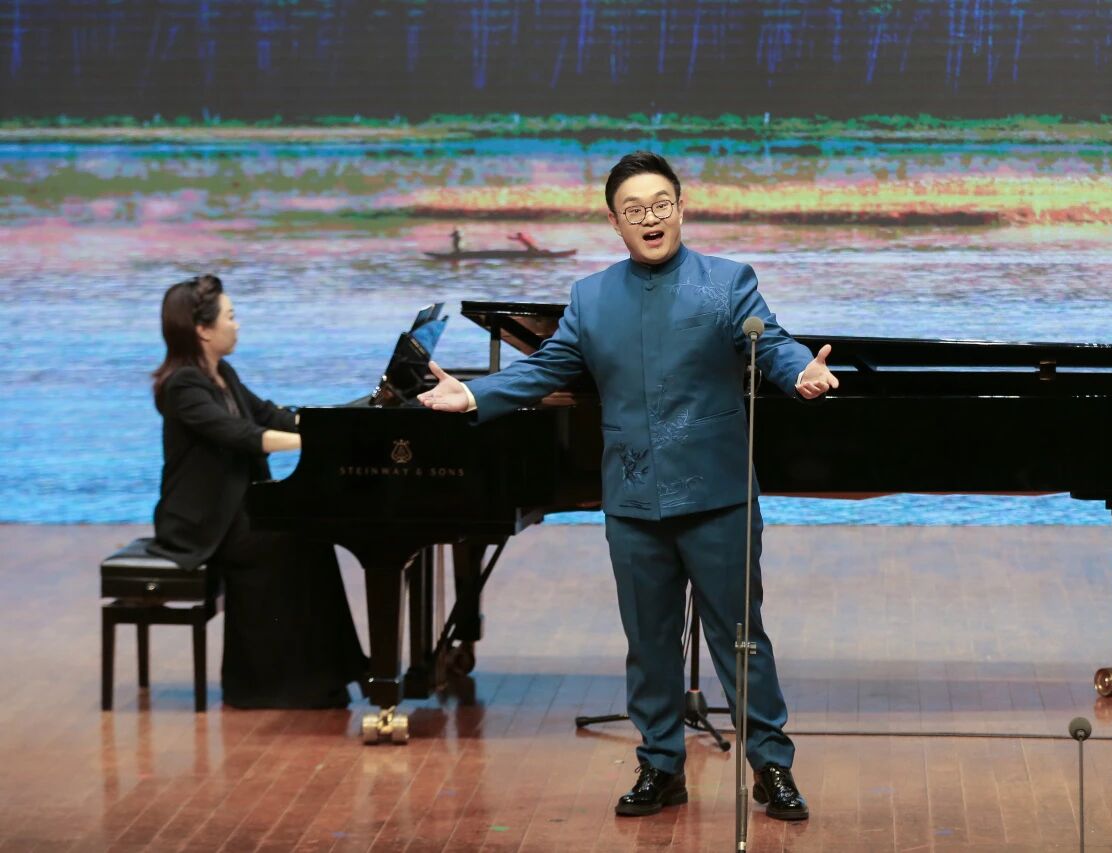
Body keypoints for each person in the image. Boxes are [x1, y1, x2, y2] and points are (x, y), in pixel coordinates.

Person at [419, 152, 838, 820]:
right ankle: (661, 766)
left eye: (661, 204)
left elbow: (774, 344)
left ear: (681, 207)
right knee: (648, 641)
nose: (651, 218)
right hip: (635, 497)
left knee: (741, 637)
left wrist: (800, 374)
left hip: (719, 494)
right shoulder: (592, 297)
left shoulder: (728, 281)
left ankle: (771, 765)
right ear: (615, 221)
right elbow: (548, 367)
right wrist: (474, 394)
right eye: (635, 209)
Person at [147, 274, 368, 709]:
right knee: (294, 539)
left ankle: (333, 671)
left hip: (235, 509)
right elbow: (243, 435)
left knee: (313, 534)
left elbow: (269, 414)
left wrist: (338, 422)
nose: (237, 324)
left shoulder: (221, 373)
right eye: (230, 316)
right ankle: (265, 684)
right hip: (202, 522)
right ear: (203, 329)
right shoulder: (183, 386)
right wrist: (319, 443)